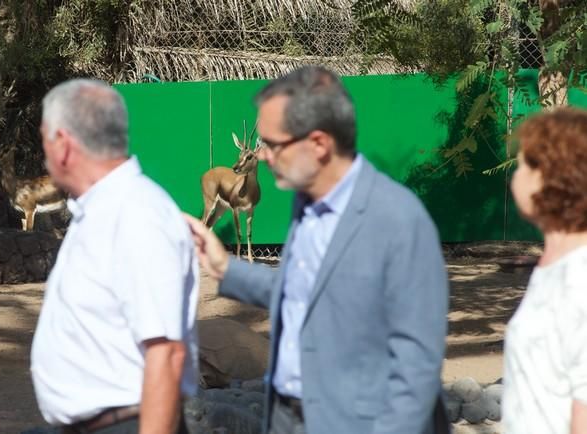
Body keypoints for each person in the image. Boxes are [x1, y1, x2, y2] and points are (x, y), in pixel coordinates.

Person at [185, 65, 450, 434]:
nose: (264, 157)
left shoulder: (397, 219)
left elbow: (417, 364)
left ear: (320, 144)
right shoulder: (307, 205)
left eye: (273, 146)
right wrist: (224, 266)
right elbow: (304, 293)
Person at [29, 79, 198, 434]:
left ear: (63, 144)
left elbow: (166, 353)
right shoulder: (100, 210)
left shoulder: (136, 213)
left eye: (44, 139)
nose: (44, 155)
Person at [503, 108, 587, 434]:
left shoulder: (579, 279)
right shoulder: (554, 268)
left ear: (551, 176)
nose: (517, 174)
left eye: (524, 163)